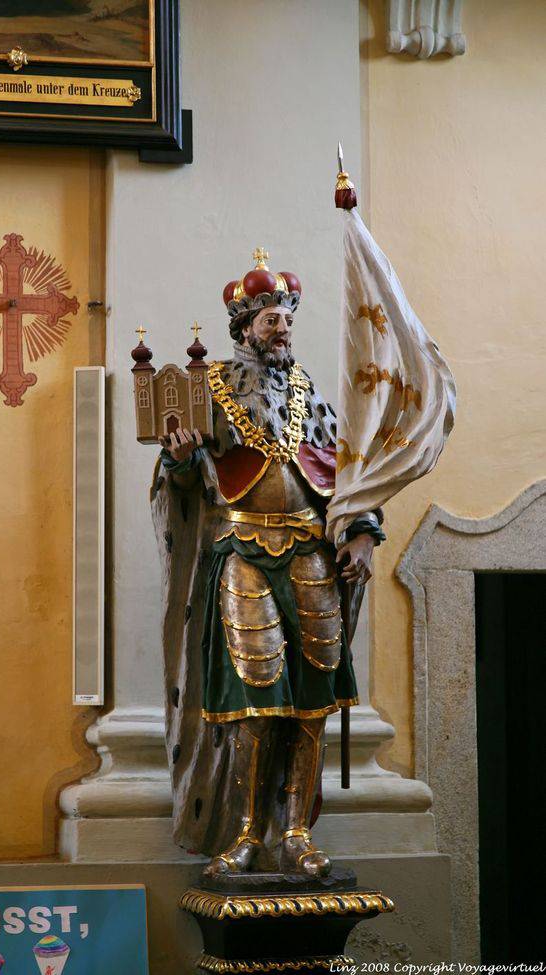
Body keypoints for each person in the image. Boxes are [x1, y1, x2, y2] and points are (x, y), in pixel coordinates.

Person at [151, 249, 384, 877]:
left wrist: (362, 532)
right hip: (243, 554)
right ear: (243, 328)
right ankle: (247, 832)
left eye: (286, 318)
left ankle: (298, 834)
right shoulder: (212, 392)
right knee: (256, 700)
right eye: (268, 320)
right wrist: (177, 457)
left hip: (309, 551)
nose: (281, 328)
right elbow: (183, 476)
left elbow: (351, 476)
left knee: (309, 702)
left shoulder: (312, 395)